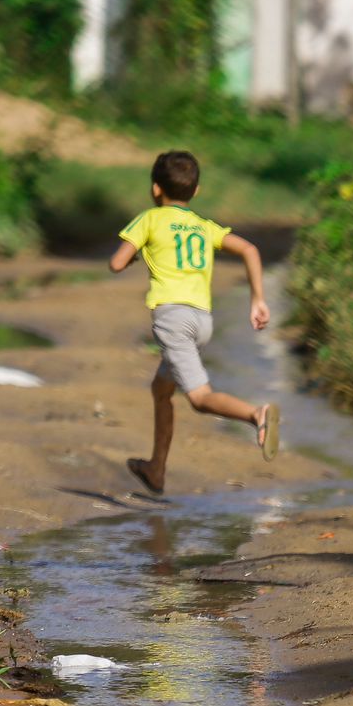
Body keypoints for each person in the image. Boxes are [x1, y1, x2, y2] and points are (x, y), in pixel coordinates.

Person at [111, 150, 280, 495]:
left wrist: (137, 255)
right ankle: (156, 469)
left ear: (156, 189)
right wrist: (258, 299)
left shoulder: (149, 219)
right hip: (201, 320)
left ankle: (256, 414)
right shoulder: (204, 226)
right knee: (161, 389)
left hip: (172, 320)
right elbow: (249, 249)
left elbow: (116, 263)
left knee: (201, 399)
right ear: (196, 191)